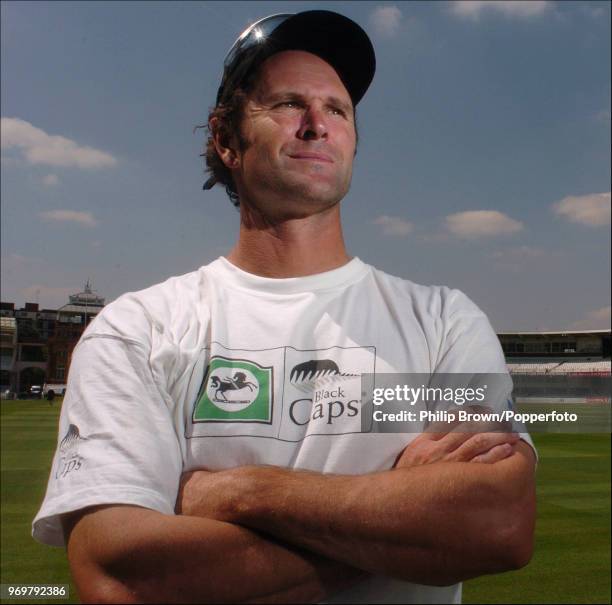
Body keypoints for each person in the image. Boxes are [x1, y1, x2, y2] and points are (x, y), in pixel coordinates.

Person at [33, 11, 536, 604]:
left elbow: (496, 523)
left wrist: (240, 494)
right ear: (226, 139)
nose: (317, 125)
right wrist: (403, 517)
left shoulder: (445, 321)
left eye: (338, 110)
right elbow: (120, 580)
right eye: (288, 104)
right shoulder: (137, 329)